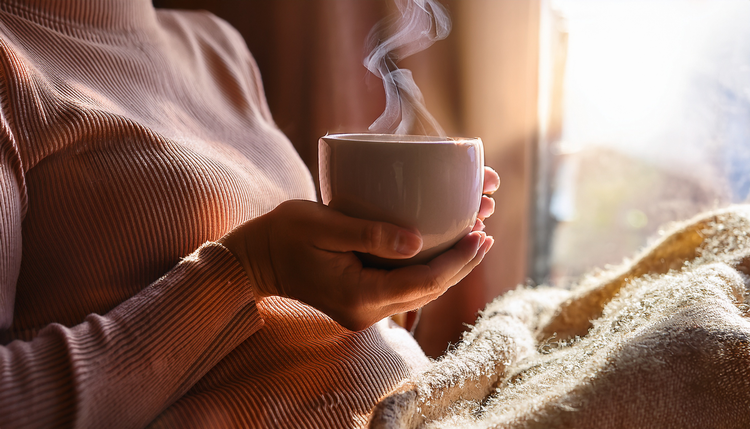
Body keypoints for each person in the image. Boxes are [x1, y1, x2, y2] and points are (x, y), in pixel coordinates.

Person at [0, 1, 499, 428]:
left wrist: (395, 274)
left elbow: (293, 329)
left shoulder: (217, 45)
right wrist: (249, 268)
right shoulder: (11, 63)